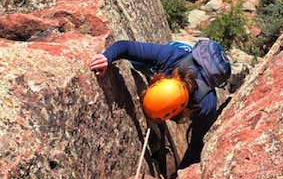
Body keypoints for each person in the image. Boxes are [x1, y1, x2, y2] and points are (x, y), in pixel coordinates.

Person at [89, 39, 229, 169]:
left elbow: (196, 145)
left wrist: (179, 175)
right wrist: (107, 57)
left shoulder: (206, 105)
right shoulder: (168, 56)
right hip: (181, 59)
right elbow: (126, 47)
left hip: (192, 67)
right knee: (137, 63)